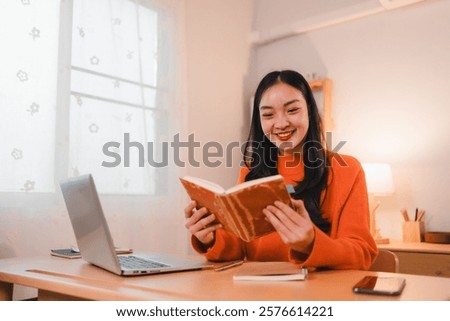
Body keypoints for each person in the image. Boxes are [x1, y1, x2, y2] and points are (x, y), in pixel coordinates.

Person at [184, 70, 378, 270]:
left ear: (310, 111)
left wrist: (311, 242)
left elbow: (362, 253)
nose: (281, 123)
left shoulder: (347, 169)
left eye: (292, 110)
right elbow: (241, 247)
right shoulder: (251, 171)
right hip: (256, 293)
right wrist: (209, 237)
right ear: (259, 120)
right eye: (268, 114)